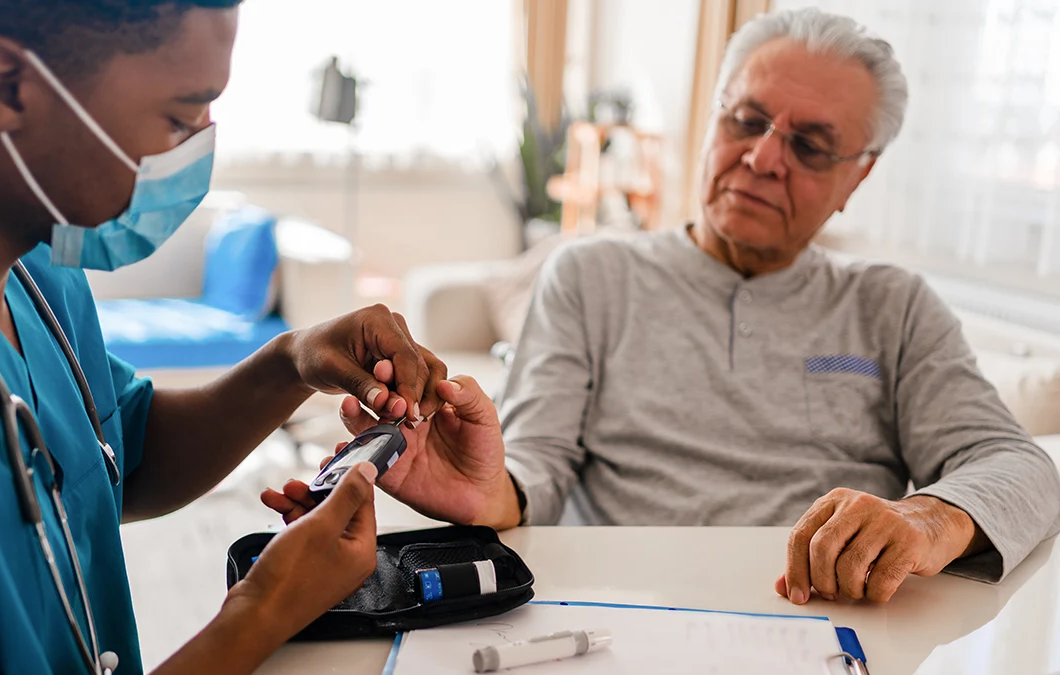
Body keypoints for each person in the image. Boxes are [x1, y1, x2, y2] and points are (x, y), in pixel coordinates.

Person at [268, 8, 1060, 607]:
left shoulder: (894, 306)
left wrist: (926, 519)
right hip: (620, 610)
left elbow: (1023, 467)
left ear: (858, 176)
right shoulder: (591, 273)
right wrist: (491, 494)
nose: (761, 157)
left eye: (810, 145)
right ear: (713, 121)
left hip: (822, 617)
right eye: (746, 120)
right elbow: (538, 464)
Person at [0, 1, 449, 673]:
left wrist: (291, 363)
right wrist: (260, 613)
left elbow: (117, 454)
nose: (198, 150)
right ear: (4, 86)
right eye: (179, 118)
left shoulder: (36, 262)